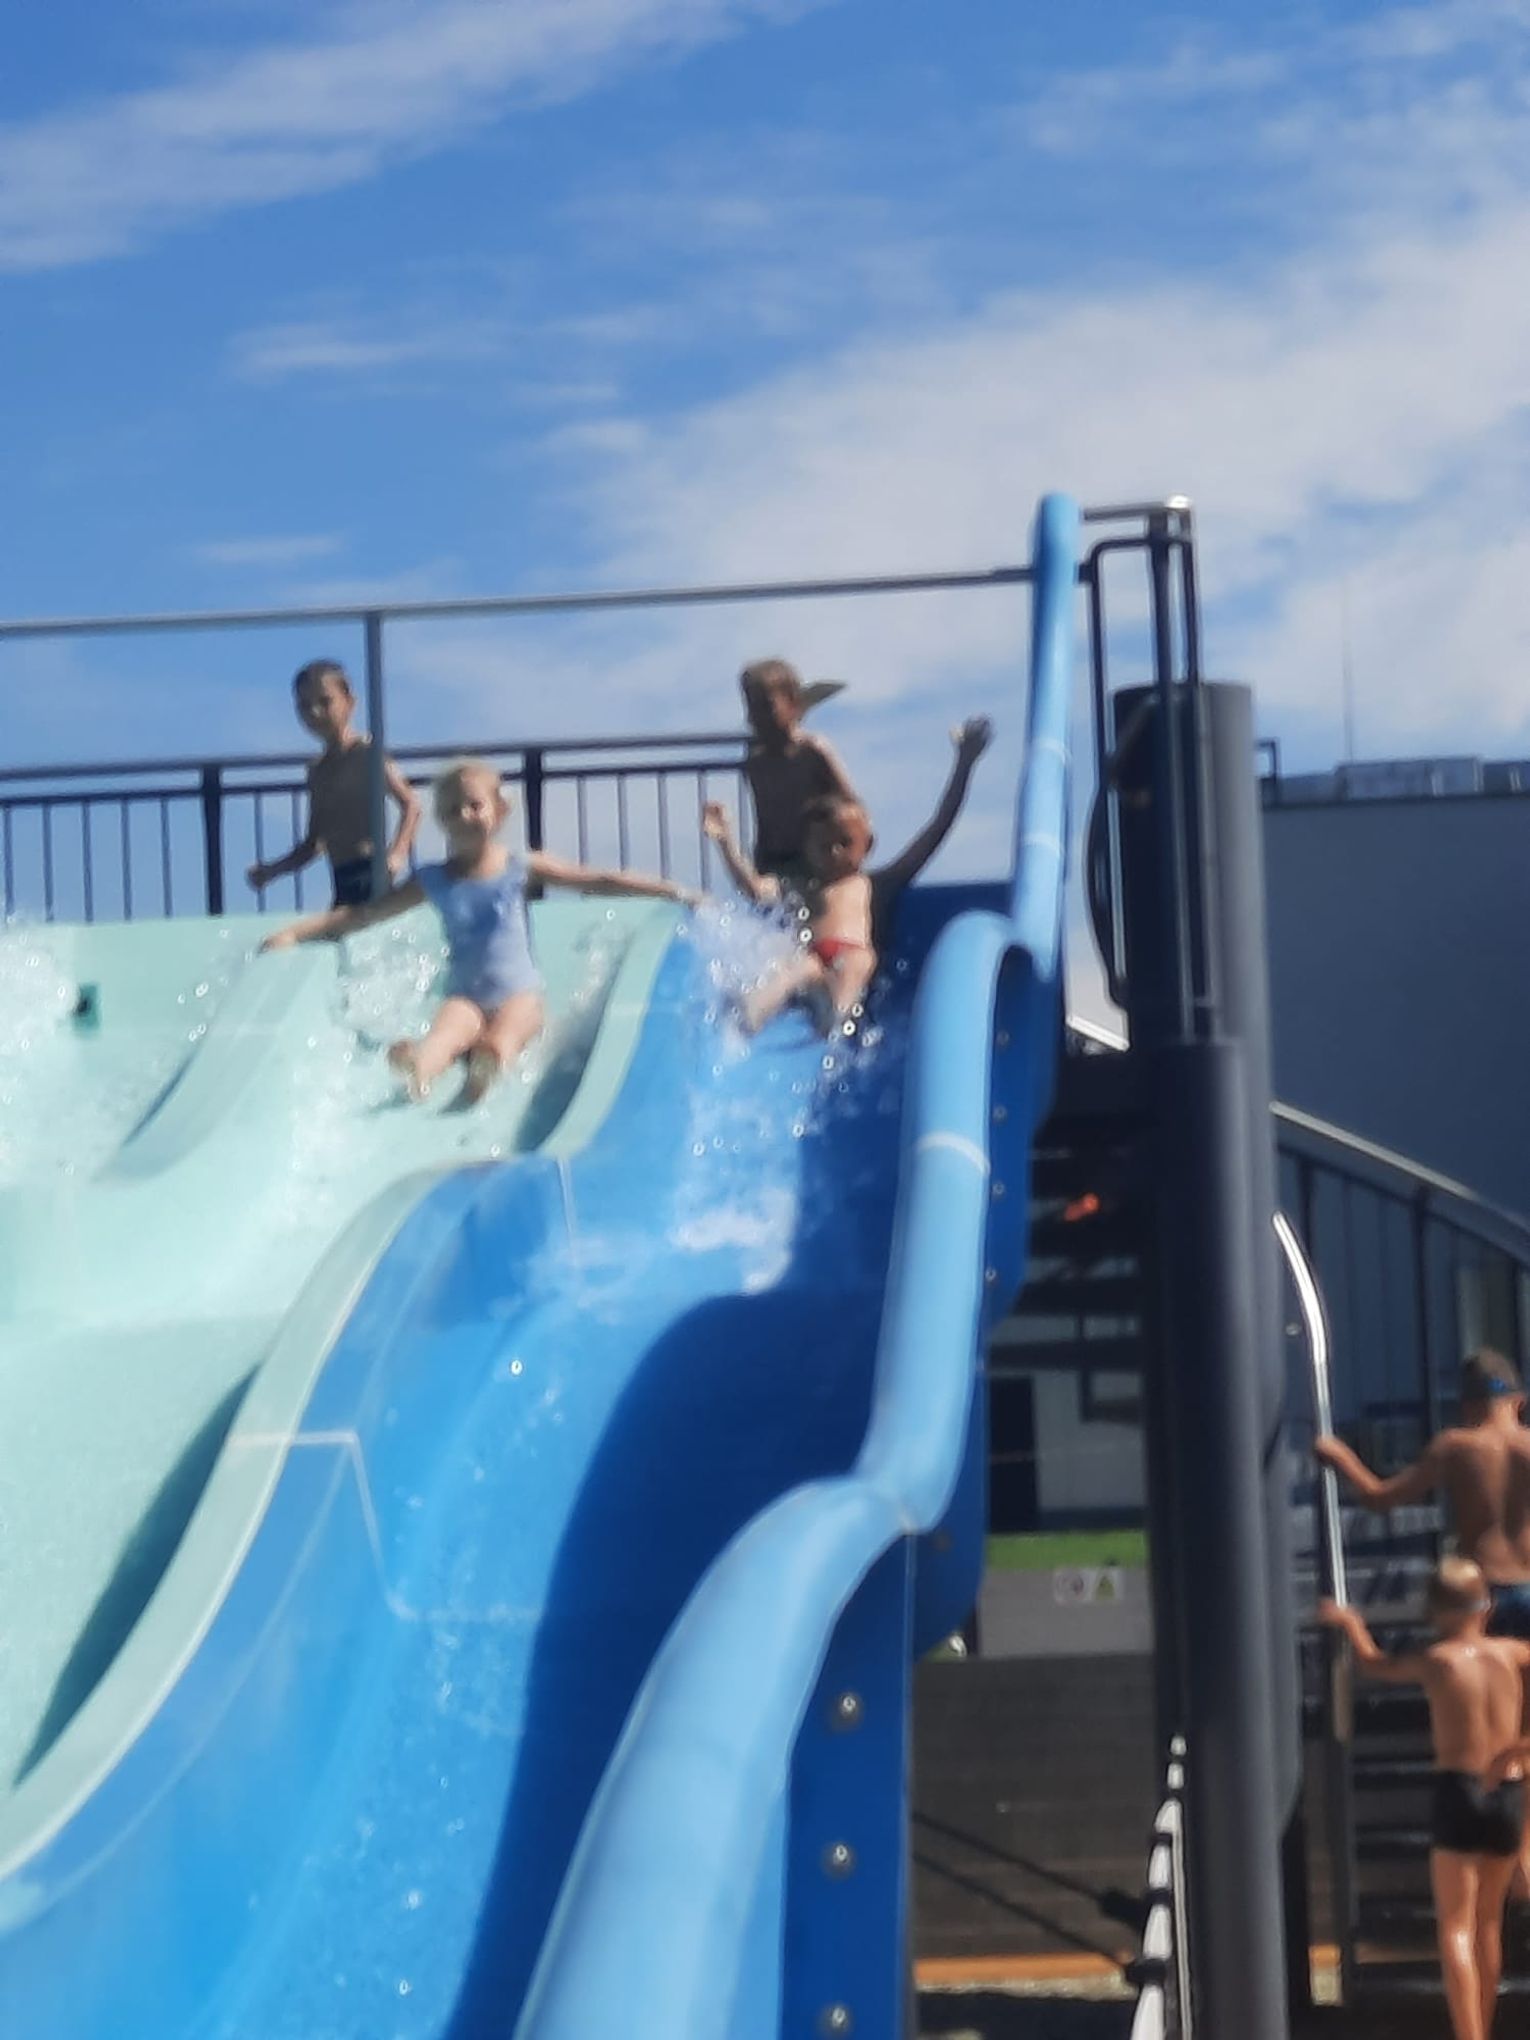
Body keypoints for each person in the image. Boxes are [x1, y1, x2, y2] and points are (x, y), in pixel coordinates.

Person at [262, 758, 694, 1104]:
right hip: (465, 996)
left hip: (520, 995)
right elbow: (366, 914)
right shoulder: (434, 879)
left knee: (507, 1032)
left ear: (498, 811)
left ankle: (490, 1062)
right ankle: (419, 1065)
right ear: (441, 822)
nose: (464, 816)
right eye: (452, 811)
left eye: (474, 805)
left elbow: (596, 880)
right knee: (445, 1033)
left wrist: (669, 889)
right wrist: (298, 932)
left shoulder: (519, 867)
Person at [1320, 1564, 1530, 2040]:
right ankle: (1484, 2028)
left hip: (1459, 1790)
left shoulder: (1438, 1660)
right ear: (1486, 1607)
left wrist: (1351, 1624)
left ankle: (1469, 2035)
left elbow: (1374, 1664)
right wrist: (1518, 1749)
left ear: (1435, 1612)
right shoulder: (1514, 1653)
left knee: (1455, 1927)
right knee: (1489, 1923)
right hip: (1508, 1791)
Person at [702, 717, 994, 1034]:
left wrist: (964, 764)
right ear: (807, 849)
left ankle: (838, 1022)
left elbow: (935, 831)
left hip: (851, 958)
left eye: (844, 843)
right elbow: (755, 889)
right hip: (813, 961)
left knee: (859, 960)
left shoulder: (874, 884)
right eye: (823, 846)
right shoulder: (801, 888)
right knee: (794, 967)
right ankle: (748, 1015)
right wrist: (725, 842)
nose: (834, 852)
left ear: (867, 844)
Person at [1315, 1354, 1530, 1639]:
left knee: (1476, 1668)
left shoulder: (1454, 1447)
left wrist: (1339, 1456)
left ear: (1467, 1405)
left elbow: (1379, 1497)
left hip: (1477, 1590)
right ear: (1519, 1401)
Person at [246, 659, 421, 908]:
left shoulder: (366, 752)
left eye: (325, 702)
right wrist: (272, 870)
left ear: (350, 702)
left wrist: (397, 855)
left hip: (372, 872)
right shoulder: (317, 771)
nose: (315, 713)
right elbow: (314, 844)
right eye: (305, 706)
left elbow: (411, 805)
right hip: (341, 879)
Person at [739, 659, 860, 883]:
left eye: (766, 706)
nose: (758, 716)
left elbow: (852, 806)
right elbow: (763, 816)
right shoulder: (755, 759)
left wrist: (847, 853)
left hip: (818, 861)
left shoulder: (813, 751)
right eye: (752, 707)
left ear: (793, 703)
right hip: (773, 863)